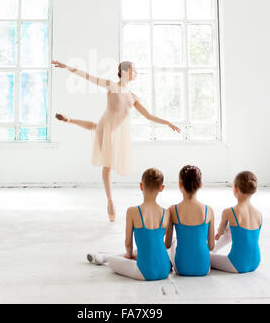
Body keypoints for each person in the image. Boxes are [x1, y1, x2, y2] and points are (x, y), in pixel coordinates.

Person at [52, 59, 180, 221]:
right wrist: (66, 66)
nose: (137, 73)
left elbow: (148, 115)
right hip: (107, 131)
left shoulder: (132, 97)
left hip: (112, 132)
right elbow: (87, 77)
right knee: (106, 162)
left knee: (95, 127)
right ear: (125, 72)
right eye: (134, 70)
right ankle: (110, 202)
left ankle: (70, 120)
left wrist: (167, 122)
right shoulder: (112, 86)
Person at [87, 168, 172, 281]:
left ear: (141, 186)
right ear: (161, 188)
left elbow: (128, 243)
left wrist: (129, 255)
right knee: (140, 251)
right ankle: (105, 256)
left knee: (113, 261)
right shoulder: (166, 213)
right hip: (165, 268)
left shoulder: (132, 212)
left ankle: (106, 257)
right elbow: (165, 245)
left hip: (145, 272)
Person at [165, 165, 215, 276]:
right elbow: (211, 246)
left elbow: (167, 244)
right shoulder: (209, 210)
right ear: (201, 185)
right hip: (204, 268)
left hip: (181, 268)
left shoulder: (173, 210)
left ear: (180, 185)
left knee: (174, 241)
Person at [210, 171, 262, 273]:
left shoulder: (229, 212)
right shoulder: (258, 214)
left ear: (235, 188)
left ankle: (212, 250)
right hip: (256, 262)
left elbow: (220, 231)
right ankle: (214, 249)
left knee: (205, 256)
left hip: (236, 264)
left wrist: (219, 233)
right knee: (234, 229)